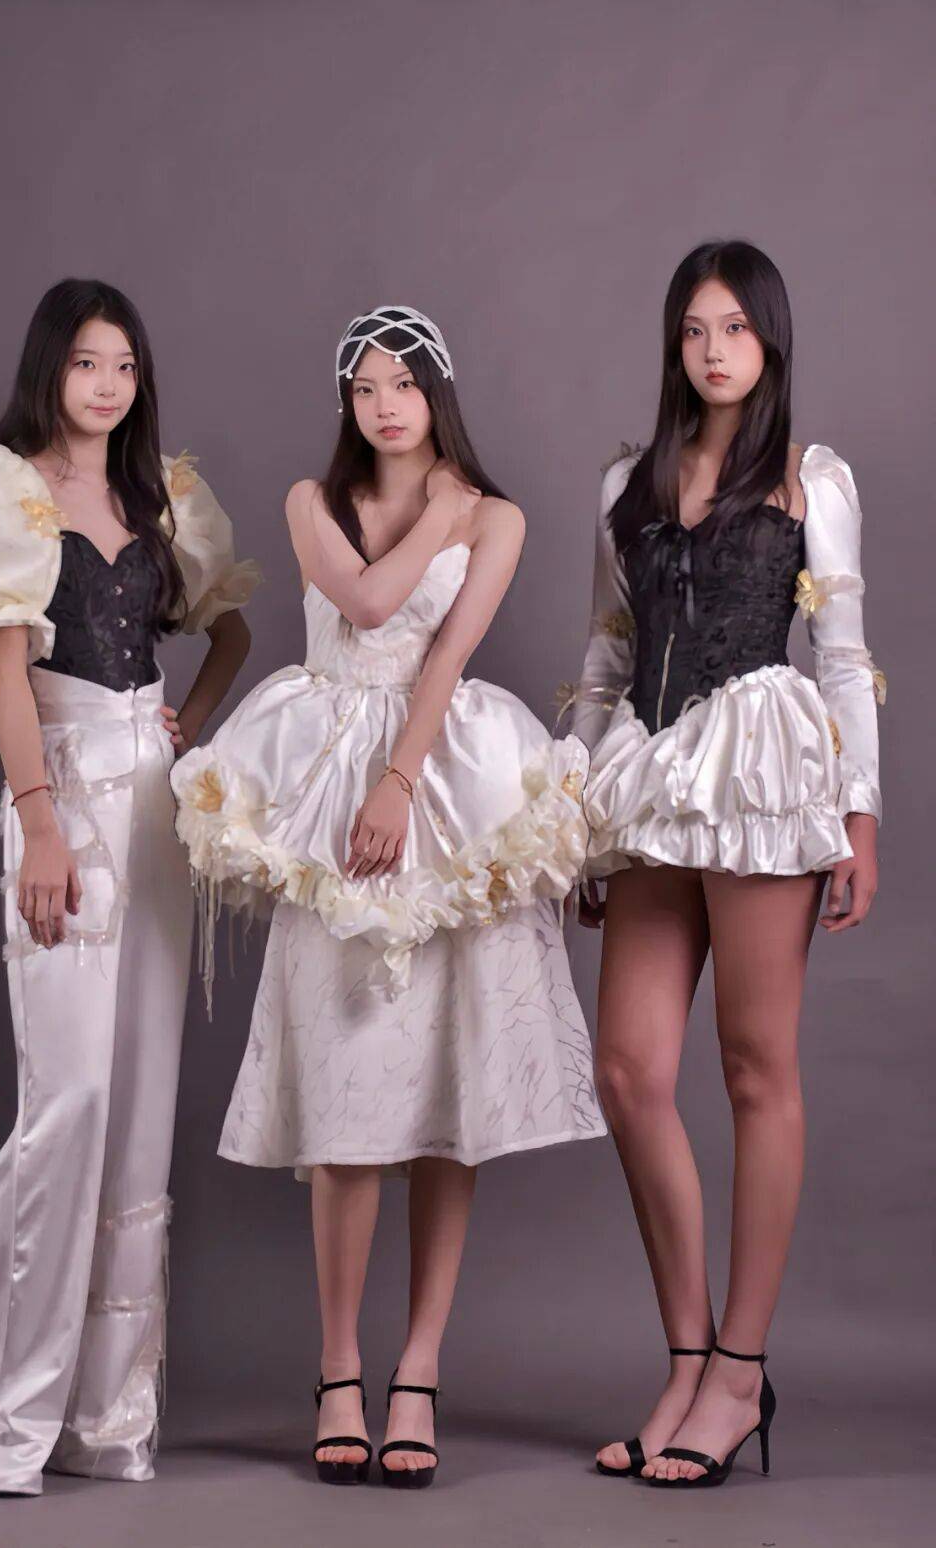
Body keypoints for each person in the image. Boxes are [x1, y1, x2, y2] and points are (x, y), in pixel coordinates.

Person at [171, 305, 605, 1488]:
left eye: (404, 383)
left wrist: (402, 779)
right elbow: (367, 607)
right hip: (324, 781)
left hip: (444, 778)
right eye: (364, 387)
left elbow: (446, 653)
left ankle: (418, 1370)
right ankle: (338, 1370)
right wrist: (443, 517)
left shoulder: (499, 516)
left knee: (449, 1092)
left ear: (437, 391)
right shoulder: (313, 503)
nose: (385, 405)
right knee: (346, 1091)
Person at [0, 278, 258, 1494]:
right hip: (63, 797)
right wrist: (40, 822)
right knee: (72, 1096)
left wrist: (186, 723)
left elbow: (229, 632)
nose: (107, 385)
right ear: (49, 367)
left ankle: (104, 1417)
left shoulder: (159, 500)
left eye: (125, 366)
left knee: (141, 1107)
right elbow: (4, 673)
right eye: (88, 362)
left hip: (155, 807)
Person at [563, 241, 882, 1488]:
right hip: (650, 777)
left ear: (770, 340)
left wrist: (860, 815)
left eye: (735, 328)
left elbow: (842, 656)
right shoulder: (625, 483)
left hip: (759, 774)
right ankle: (689, 1358)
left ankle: (741, 1376)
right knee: (629, 1069)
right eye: (695, 329)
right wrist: (578, 812)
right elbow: (606, 651)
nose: (713, 350)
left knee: (756, 1067)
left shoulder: (812, 478)